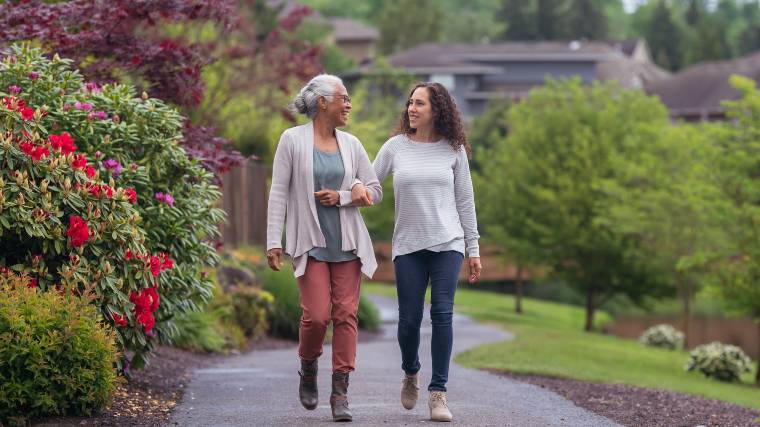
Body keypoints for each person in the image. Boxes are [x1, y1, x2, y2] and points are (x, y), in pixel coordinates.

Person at [265, 74, 380, 422]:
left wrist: (346, 195)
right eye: (343, 98)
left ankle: (340, 392)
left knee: (346, 315)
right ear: (322, 102)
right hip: (311, 243)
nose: (348, 104)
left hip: (347, 244)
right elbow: (278, 192)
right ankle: (309, 365)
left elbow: (374, 190)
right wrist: (274, 240)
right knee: (316, 316)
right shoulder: (292, 140)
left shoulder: (353, 144)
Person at [373, 82, 482, 422]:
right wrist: (347, 196)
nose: (411, 108)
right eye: (410, 103)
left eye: (419, 103)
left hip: (447, 244)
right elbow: (372, 189)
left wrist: (473, 248)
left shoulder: (454, 150)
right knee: (408, 322)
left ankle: (438, 394)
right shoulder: (394, 147)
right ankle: (411, 371)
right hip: (408, 246)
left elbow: (465, 201)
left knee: (443, 314)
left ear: (437, 110)